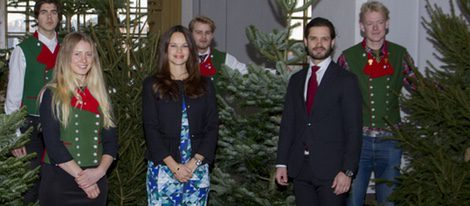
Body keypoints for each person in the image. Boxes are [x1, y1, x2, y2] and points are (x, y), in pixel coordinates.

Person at [275, 17, 363, 206]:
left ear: (332, 42)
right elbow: (288, 124)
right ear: (306, 42)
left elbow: (354, 130)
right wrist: (281, 163)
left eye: (324, 39)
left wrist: (347, 171)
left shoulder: (346, 80)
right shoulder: (296, 80)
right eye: (314, 39)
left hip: (333, 172)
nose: (319, 44)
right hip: (300, 169)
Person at [337, 1, 416, 206]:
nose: (375, 28)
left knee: (389, 201)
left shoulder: (400, 54)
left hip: (391, 141)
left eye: (379, 22)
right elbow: (335, 98)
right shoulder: (348, 57)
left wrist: (451, 92)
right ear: (362, 26)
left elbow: (419, 86)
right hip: (357, 142)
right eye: (369, 23)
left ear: (387, 24)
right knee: (353, 200)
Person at [38, 32, 118, 205]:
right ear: (66, 57)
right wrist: (85, 180)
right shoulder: (51, 94)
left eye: (88, 54)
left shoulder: (101, 96)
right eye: (77, 54)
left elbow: (111, 143)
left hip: (96, 178)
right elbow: (53, 145)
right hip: (59, 181)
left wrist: (99, 172)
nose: (84, 60)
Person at [142, 25, 218, 205]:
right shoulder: (152, 85)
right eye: (173, 45)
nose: (179, 51)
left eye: (184, 46)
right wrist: (174, 167)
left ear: (191, 50)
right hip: (164, 168)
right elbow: (150, 129)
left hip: (196, 170)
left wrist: (193, 164)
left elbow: (212, 127)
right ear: (165, 49)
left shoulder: (205, 84)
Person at [5, 0, 61, 203]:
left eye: (53, 12)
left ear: (58, 17)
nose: (49, 16)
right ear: (37, 17)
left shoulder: (67, 49)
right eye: (44, 12)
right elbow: (12, 99)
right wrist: (15, 137)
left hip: (60, 124)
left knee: (57, 183)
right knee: (30, 186)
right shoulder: (23, 50)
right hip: (30, 128)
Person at [189, 16, 247, 80]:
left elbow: (246, 74)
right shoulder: (182, 57)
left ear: (212, 36)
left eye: (207, 33)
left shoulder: (223, 58)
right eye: (199, 32)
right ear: (190, 34)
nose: (204, 36)